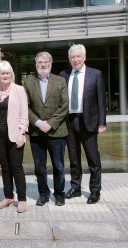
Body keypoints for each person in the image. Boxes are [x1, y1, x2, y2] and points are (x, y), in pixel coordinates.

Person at [60, 44, 106, 204]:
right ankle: (75, 187)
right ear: (69, 59)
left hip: (89, 122)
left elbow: (101, 100)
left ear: (84, 57)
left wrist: (102, 122)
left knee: (93, 159)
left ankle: (95, 190)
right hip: (70, 122)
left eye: (78, 56)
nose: (75, 59)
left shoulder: (95, 74)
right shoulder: (64, 75)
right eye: (72, 57)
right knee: (73, 158)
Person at [24, 52, 68, 207]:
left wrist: (50, 123)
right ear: (36, 64)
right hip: (37, 132)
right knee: (39, 167)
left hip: (56, 131)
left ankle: (59, 194)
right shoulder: (28, 81)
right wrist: (37, 122)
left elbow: (65, 106)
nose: (42, 65)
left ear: (51, 63)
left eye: (45, 62)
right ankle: (43, 194)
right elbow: (25, 106)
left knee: (59, 166)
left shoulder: (60, 81)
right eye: (39, 62)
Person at [0, 60, 29, 213]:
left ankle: (22, 199)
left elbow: (24, 114)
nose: (5, 76)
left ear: (11, 74)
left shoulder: (19, 90)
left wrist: (21, 133)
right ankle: (8, 197)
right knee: (5, 168)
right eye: (2, 73)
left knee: (16, 167)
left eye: (7, 73)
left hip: (15, 135)